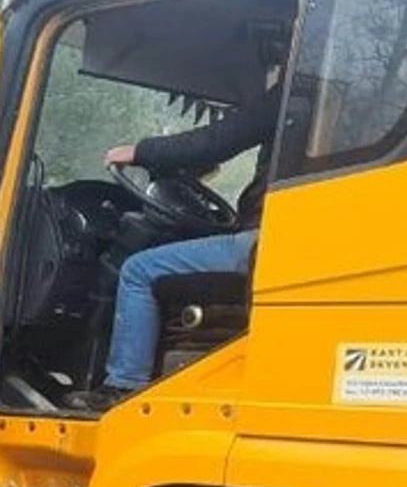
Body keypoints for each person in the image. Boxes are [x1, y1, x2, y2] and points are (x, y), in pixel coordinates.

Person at [68, 79, 284, 413]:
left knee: (138, 270)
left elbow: (220, 140)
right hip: (286, 242)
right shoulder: (351, 103)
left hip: (268, 242)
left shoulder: (299, 87)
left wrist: (141, 151)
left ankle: (123, 385)